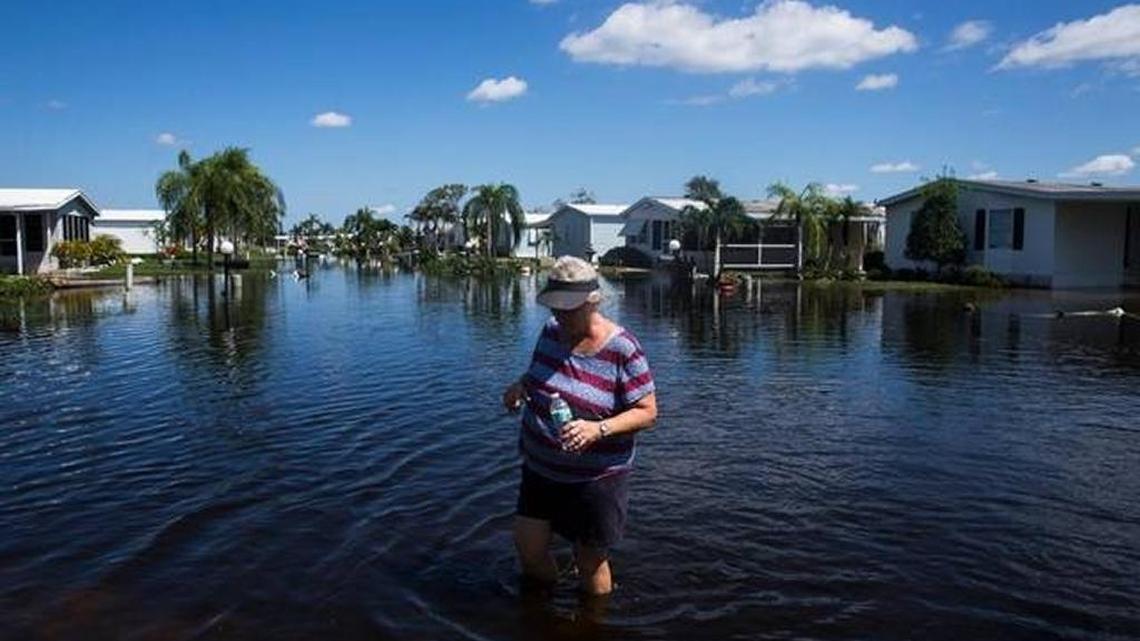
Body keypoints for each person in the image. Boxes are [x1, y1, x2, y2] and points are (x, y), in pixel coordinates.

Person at [502, 256, 658, 596]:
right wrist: (520, 388)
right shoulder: (550, 332)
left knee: (589, 562)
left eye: (568, 310)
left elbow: (647, 412)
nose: (560, 317)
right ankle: (545, 615)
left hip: (596, 479)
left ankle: (593, 622)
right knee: (529, 551)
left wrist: (596, 430)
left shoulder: (623, 348)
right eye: (555, 309)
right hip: (541, 470)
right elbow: (538, 376)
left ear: (593, 302)